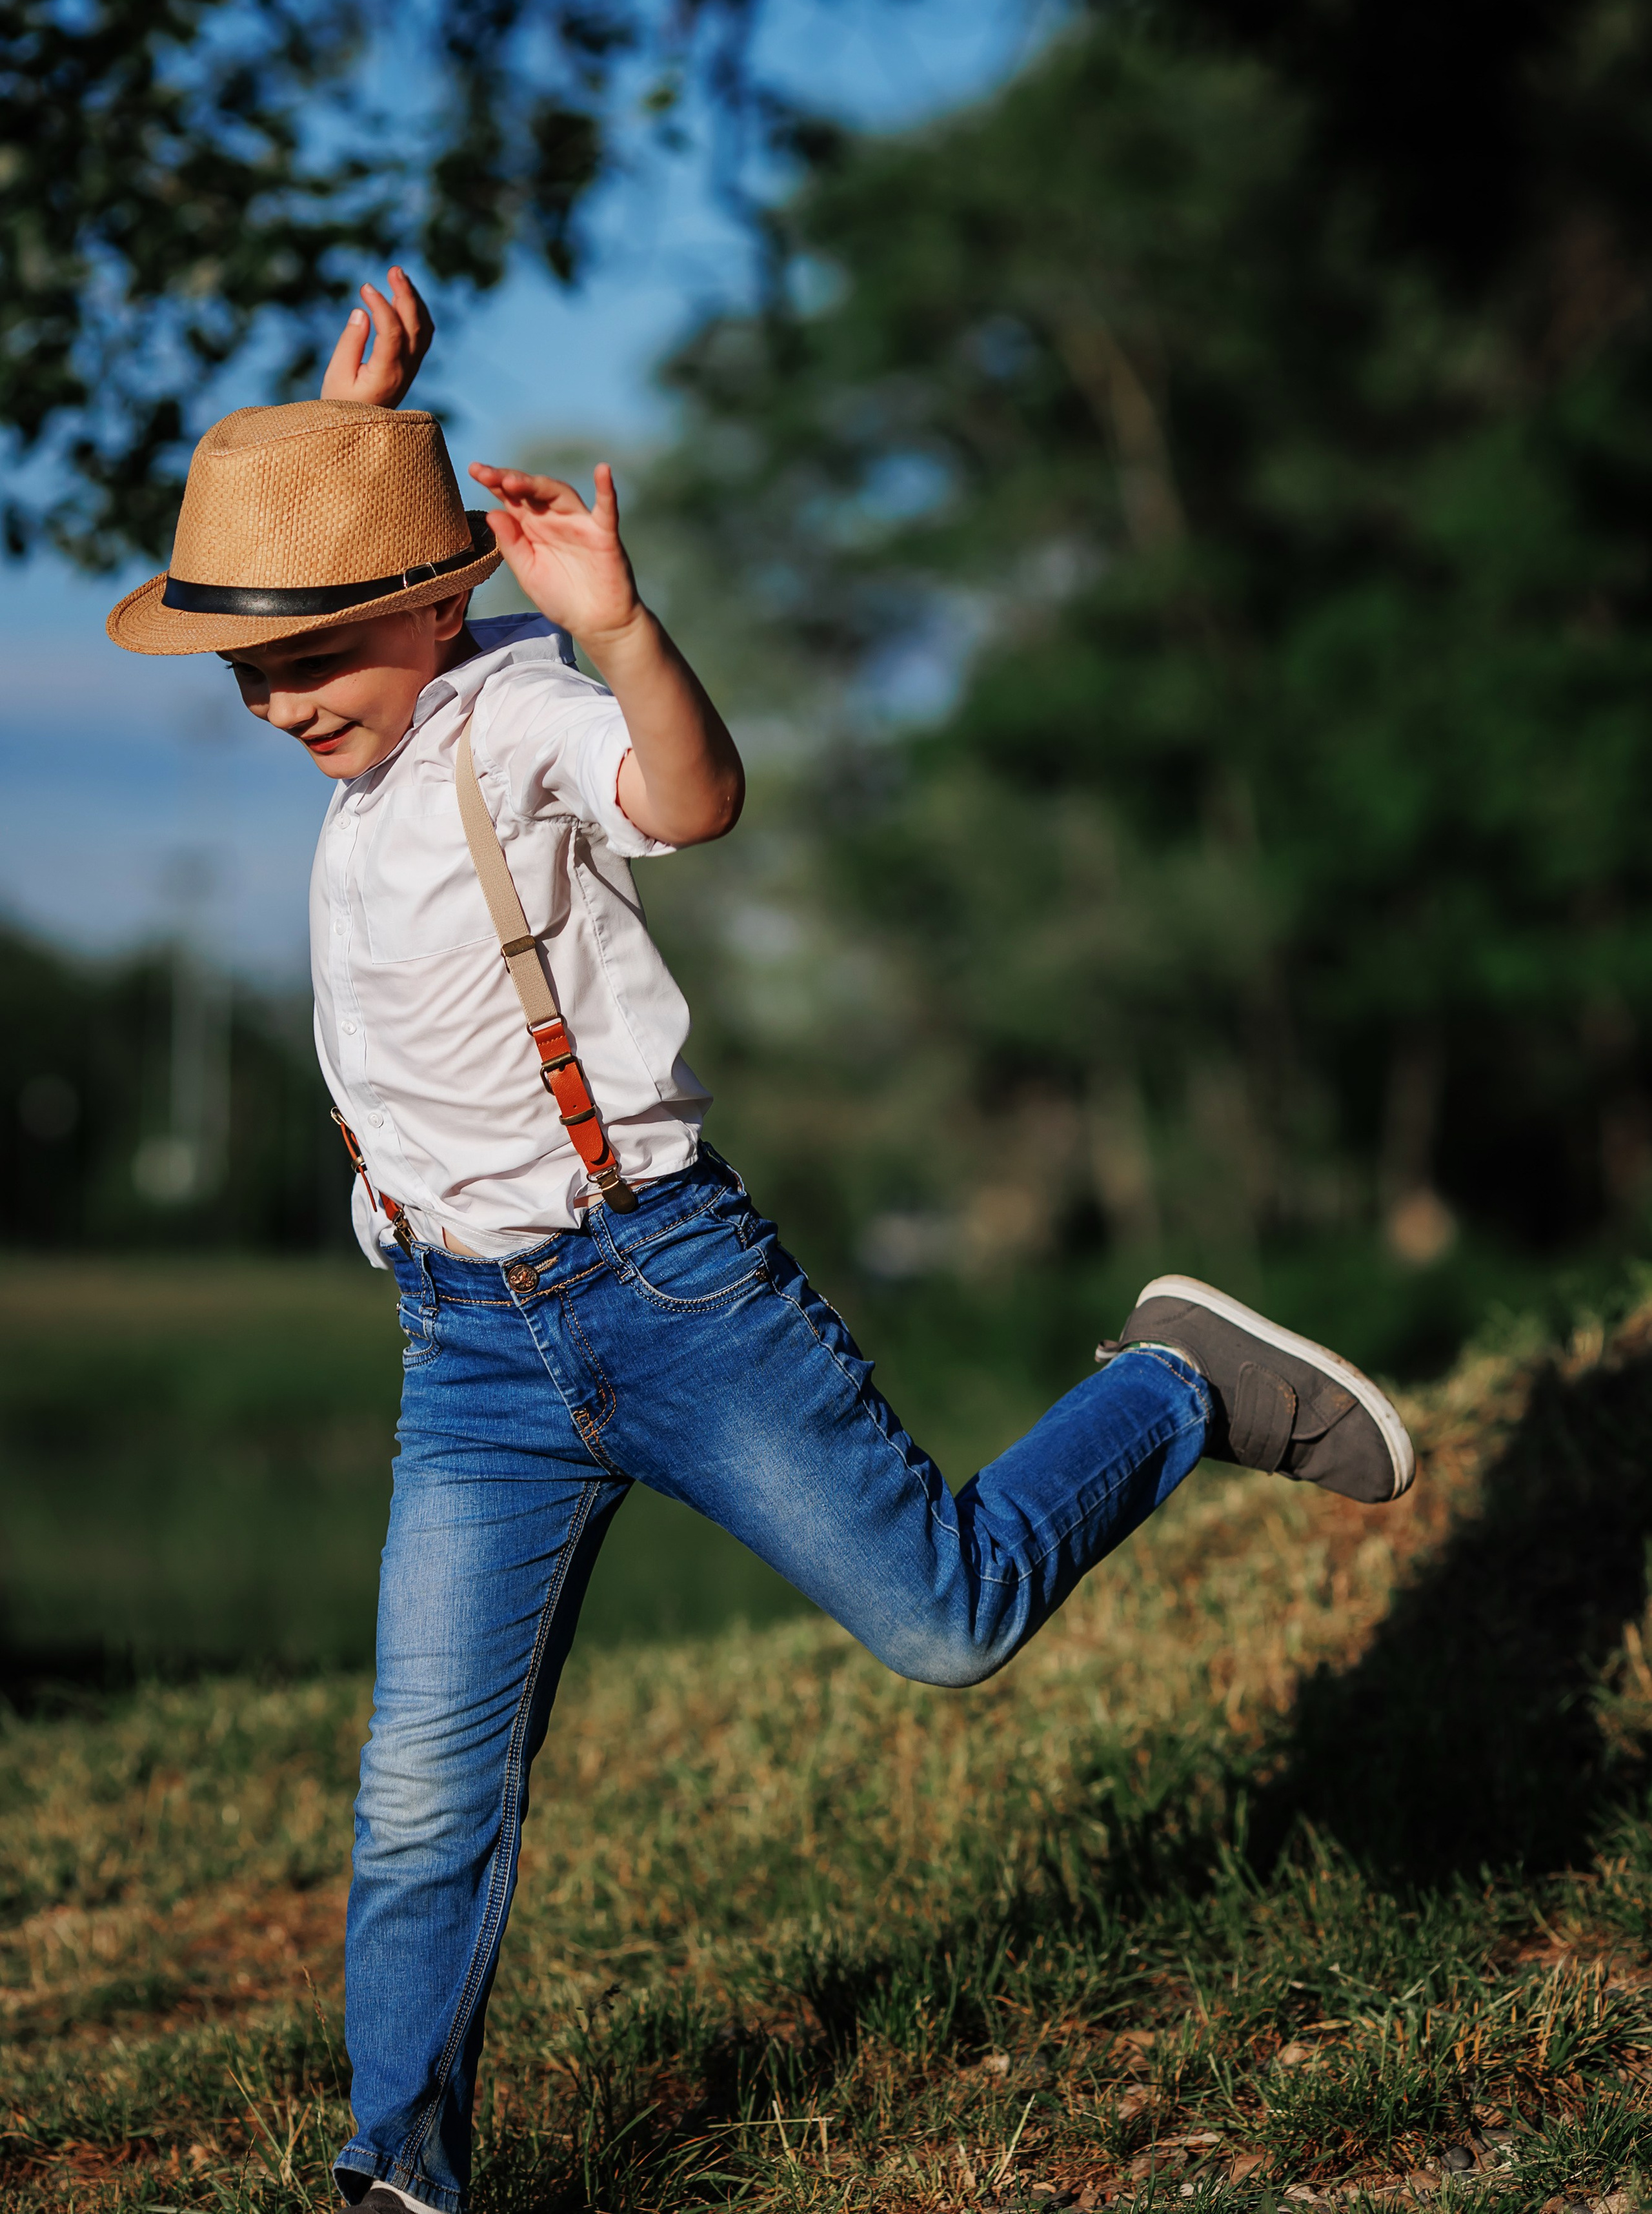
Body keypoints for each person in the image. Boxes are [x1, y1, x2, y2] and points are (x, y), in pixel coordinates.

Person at [107, 270, 1416, 2214]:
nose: (277, 701)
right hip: (469, 1352)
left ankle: (1176, 1380)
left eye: (308, 663)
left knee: (949, 1617)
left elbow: (693, 798)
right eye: (247, 676)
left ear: (437, 611)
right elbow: (324, 566)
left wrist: (623, 629)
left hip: (665, 1289)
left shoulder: (516, 716)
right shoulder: (368, 732)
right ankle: (397, 2171)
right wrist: (353, 417)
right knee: (420, 1801)